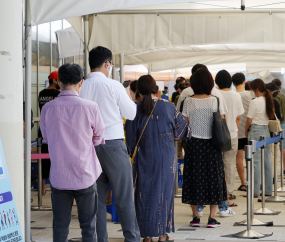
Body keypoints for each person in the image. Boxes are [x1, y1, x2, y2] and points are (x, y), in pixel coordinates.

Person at [79, 46, 140, 242]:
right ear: (107, 64)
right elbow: (131, 113)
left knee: (95, 201)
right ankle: (131, 239)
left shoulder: (81, 86)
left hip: (89, 148)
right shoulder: (114, 86)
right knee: (124, 198)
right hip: (113, 145)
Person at [40, 63, 105, 242]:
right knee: (88, 227)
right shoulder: (91, 107)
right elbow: (99, 136)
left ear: (58, 81)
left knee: (60, 226)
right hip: (85, 174)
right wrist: (86, 141)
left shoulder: (47, 109)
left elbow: (46, 137)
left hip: (59, 176)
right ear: (81, 82)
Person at [125, 75, 190, 242]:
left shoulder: (135, 109)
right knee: (164, 196)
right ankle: (162, 236)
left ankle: (146, 237)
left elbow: (130, 142)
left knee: (143, 195)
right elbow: (184, 131)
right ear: (156, 89)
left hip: (143, 158)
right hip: (166, 158)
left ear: (138, 90)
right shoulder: (168, 106)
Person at [182, 68, 227, 228]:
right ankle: (212, 218)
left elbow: (184, 123)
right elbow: (222, 121)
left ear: (193, 84)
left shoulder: (188, 101)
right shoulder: (215, 100)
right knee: (214, 178)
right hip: (212, 145)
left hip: (194, 145)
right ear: (210, 83)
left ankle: (195, 217)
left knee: (193, 178)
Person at [215, 70, 244, 202]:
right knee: (229, 163)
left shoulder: (214, 94)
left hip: (216, 135)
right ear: (230, 82)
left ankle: (217, 191)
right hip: (232, 133)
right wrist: (236, 130)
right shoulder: (236, 96)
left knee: (216, 164)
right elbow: (238, 117)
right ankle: (229, 192)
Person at [245, 79, 274, 197]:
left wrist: (246, 132)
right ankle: (268, 190)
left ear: (256, 90)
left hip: (255, 131)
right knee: (267, 161)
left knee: (255, 163)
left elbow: (248, 120)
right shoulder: (269, 100)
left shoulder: (255, 102)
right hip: (266, 131)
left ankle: (254, 191)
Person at [38, 71, 60, 195]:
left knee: (43, 159)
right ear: (55, 80)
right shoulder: (58, 94)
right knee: (55, 158)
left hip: (43, 129)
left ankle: (42, 188)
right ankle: (56, 186)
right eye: (59, 80)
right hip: (55, 129)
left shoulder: (41, 94)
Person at [232, 73, 252, 192]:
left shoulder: (234, 96)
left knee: (239, 159)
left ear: (233, 83)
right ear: (244, 81)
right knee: (251, 158)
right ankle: (251, 182)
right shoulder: (251, 95)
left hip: (238, 132)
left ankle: (243, 183)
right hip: (250, 131)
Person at [271, 78, 285, 174]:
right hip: (283, 123)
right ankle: (284, 168)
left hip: (274, 124)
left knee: (273, 147)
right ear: (280, 86)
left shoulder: (271, 97)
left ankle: (275, 169)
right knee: (283, 146)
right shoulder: (283, 96)